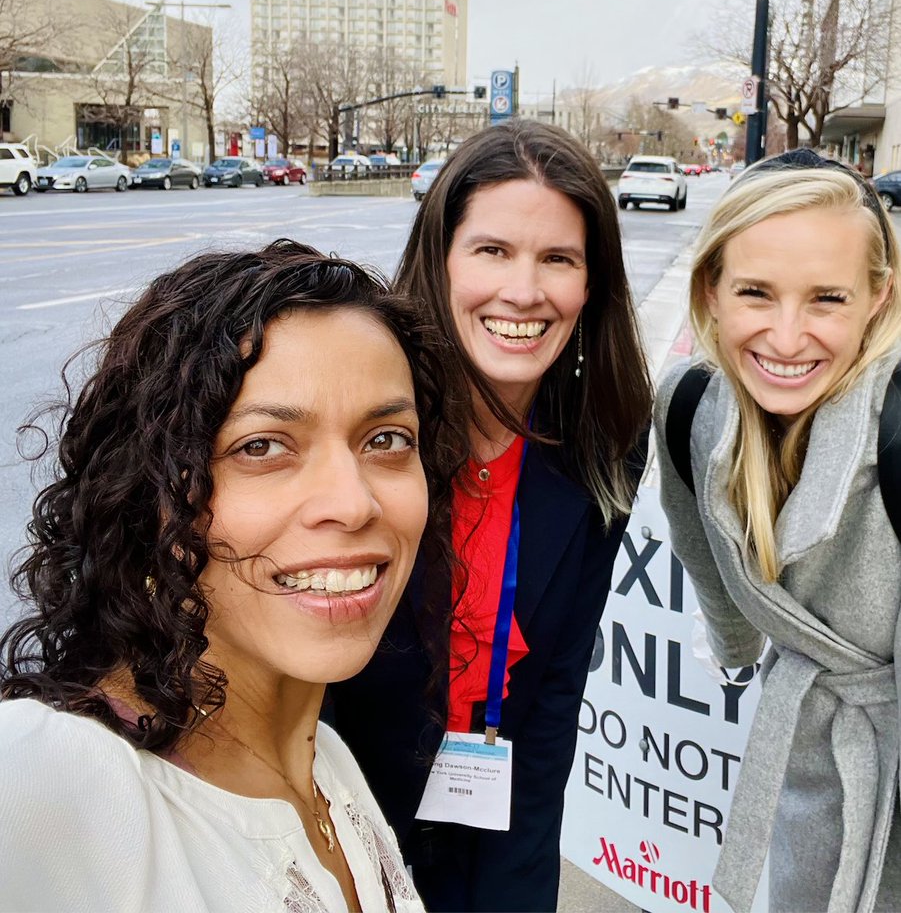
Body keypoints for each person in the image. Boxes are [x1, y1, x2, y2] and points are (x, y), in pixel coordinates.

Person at [0, 239, 459, 913]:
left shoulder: (326, 763)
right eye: (262, 447)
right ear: (146, 494)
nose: (354, 503)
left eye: (385, 439)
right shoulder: (47, 777)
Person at [329, 120, 652, 913]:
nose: (523, 292)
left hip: (492, 813)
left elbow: (547, 716)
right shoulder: (356, 424)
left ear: (591, 284)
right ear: (439, 262)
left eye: (558, 260)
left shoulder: (604, 446)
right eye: (492, 251)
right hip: (336, 819)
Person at [654, 150, 901, 913]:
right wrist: (734, 653)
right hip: (806, 759)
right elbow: (705, 554)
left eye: (825, 298)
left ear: (876, 298)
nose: (787, 338)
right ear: (711, 293)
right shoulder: (689, 408)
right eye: (756, 293)